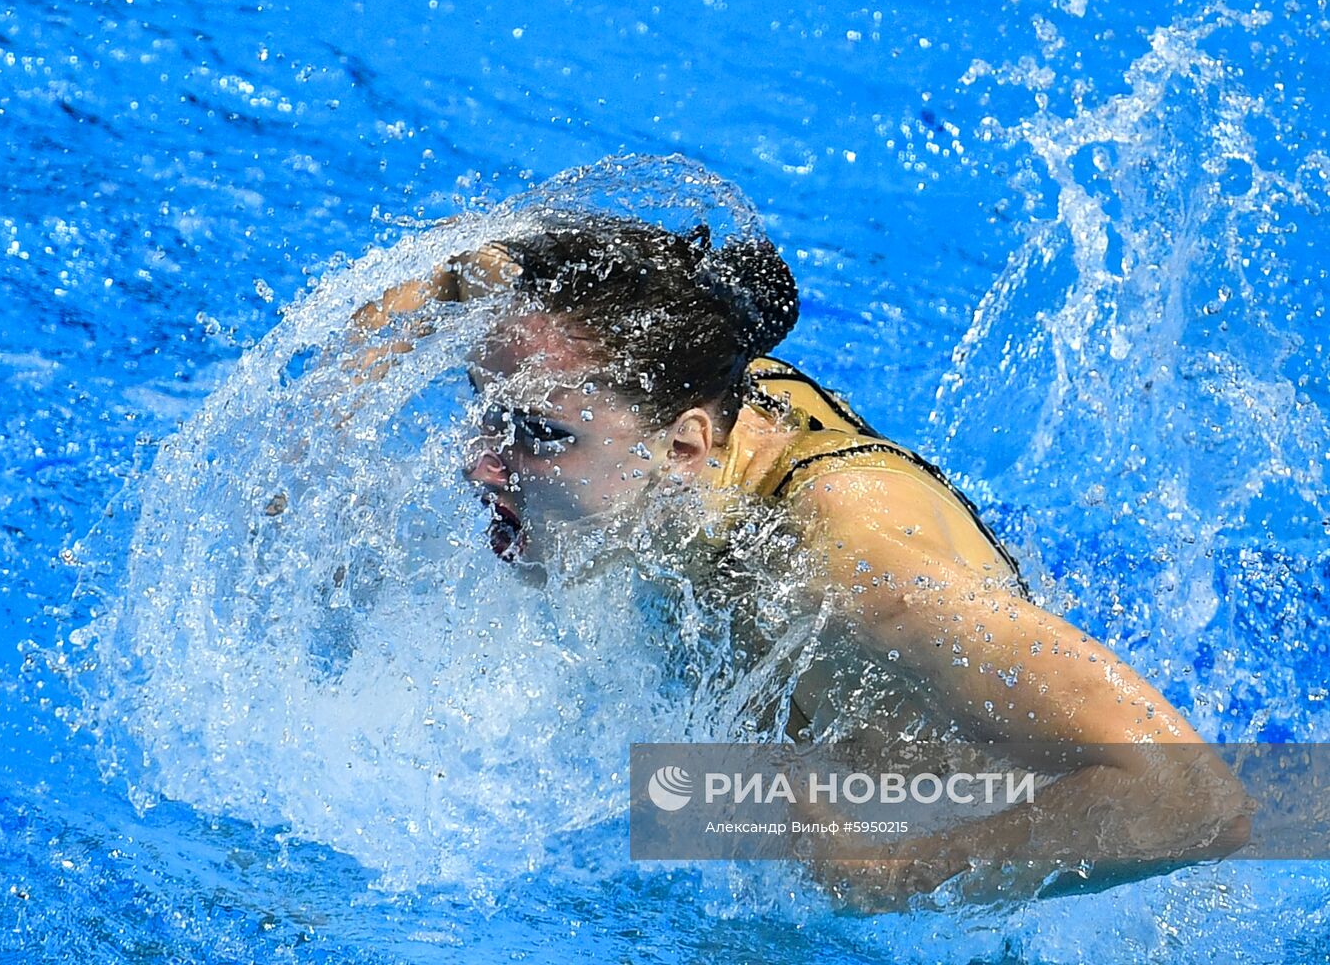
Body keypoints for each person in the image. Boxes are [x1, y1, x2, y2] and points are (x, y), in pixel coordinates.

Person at [348, 208, 1251, 910]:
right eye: (485, 403)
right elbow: (482, 272)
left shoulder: (860, 572)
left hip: (976, 873)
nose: (479, 458)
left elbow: (1193, 798)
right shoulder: (675, 379)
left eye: (540, 434)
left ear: (686, 447)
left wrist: (892, 876)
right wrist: (353, 382)